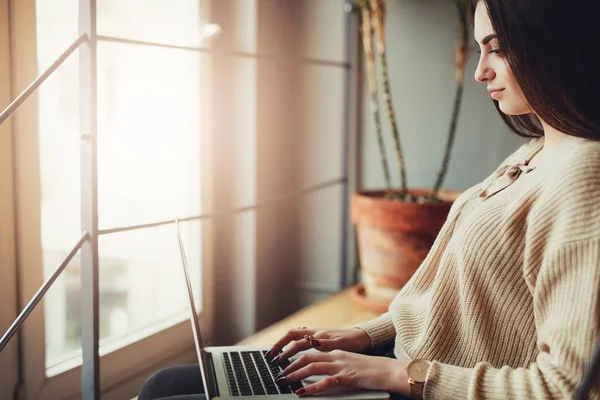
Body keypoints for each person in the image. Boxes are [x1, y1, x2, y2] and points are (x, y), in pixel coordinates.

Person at [139, 0, 600, 398]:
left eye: (497, 48)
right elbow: (443, 305)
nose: (480, 71)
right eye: (480, 48)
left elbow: (564, 387)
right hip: (395, 362)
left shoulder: (584, 175)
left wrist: (387, 373)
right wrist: (362, 336)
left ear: (553, 44)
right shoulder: (537, 149)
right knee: (162, 384)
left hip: (418, 385)